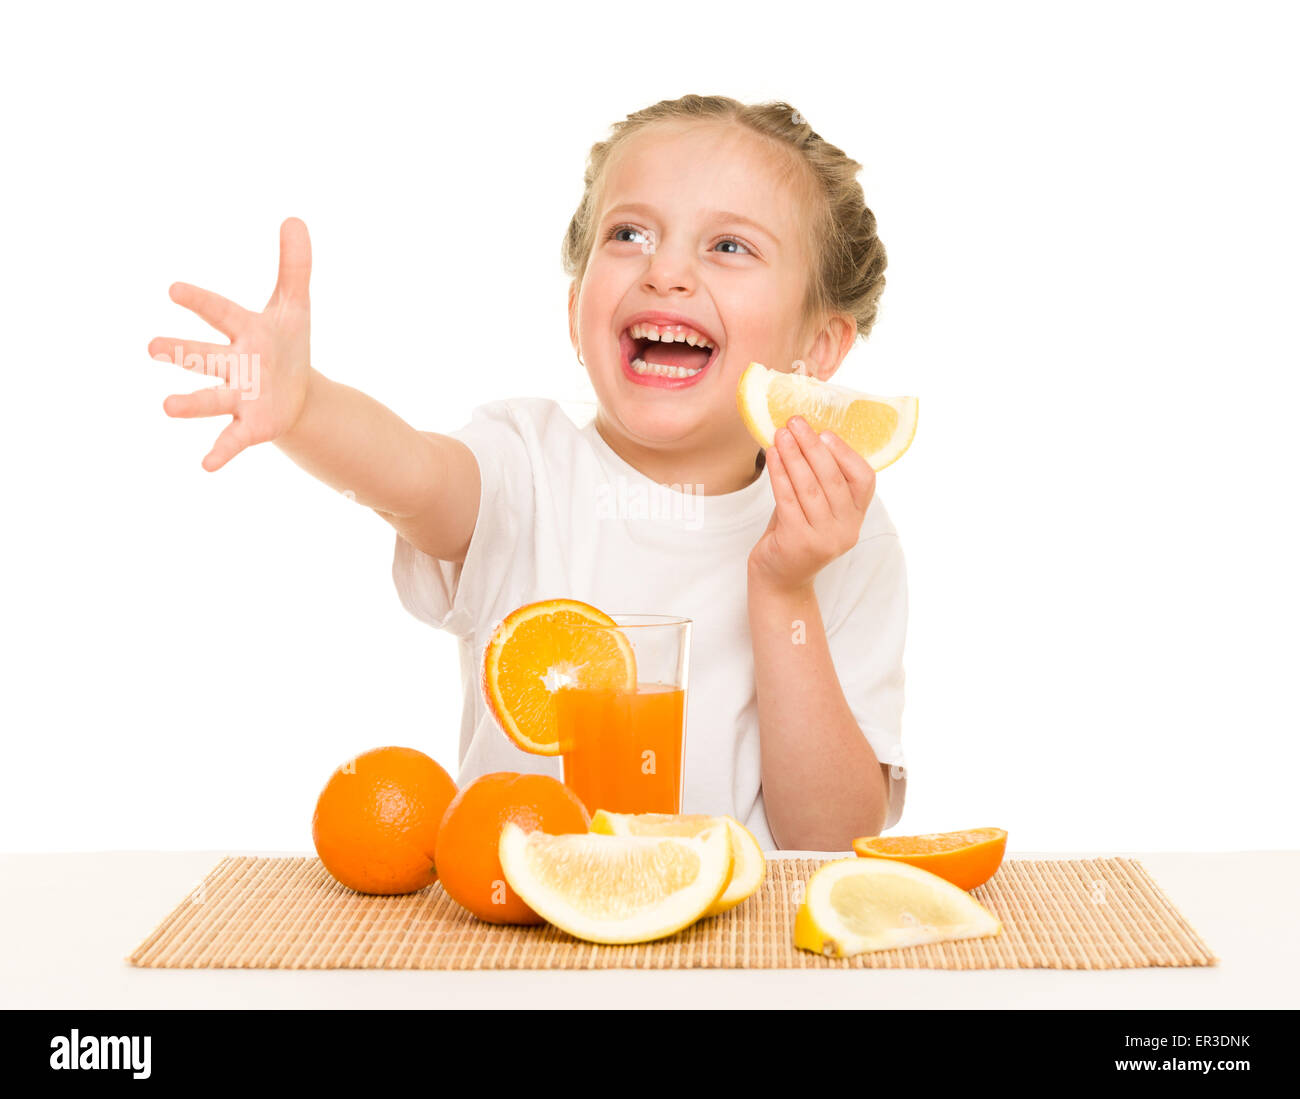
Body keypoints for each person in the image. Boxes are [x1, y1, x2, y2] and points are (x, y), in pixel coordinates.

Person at [149, 94, 908, 851]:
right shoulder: (525, 467)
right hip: (520, 952)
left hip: (736, 958)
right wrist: (305, 404)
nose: (666, 270)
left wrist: (785, 589)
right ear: (578, 305)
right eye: (629, 233)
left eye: (730, 247)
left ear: (819, 346)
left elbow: (830, 840)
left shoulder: (843, 533)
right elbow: (412, 475)